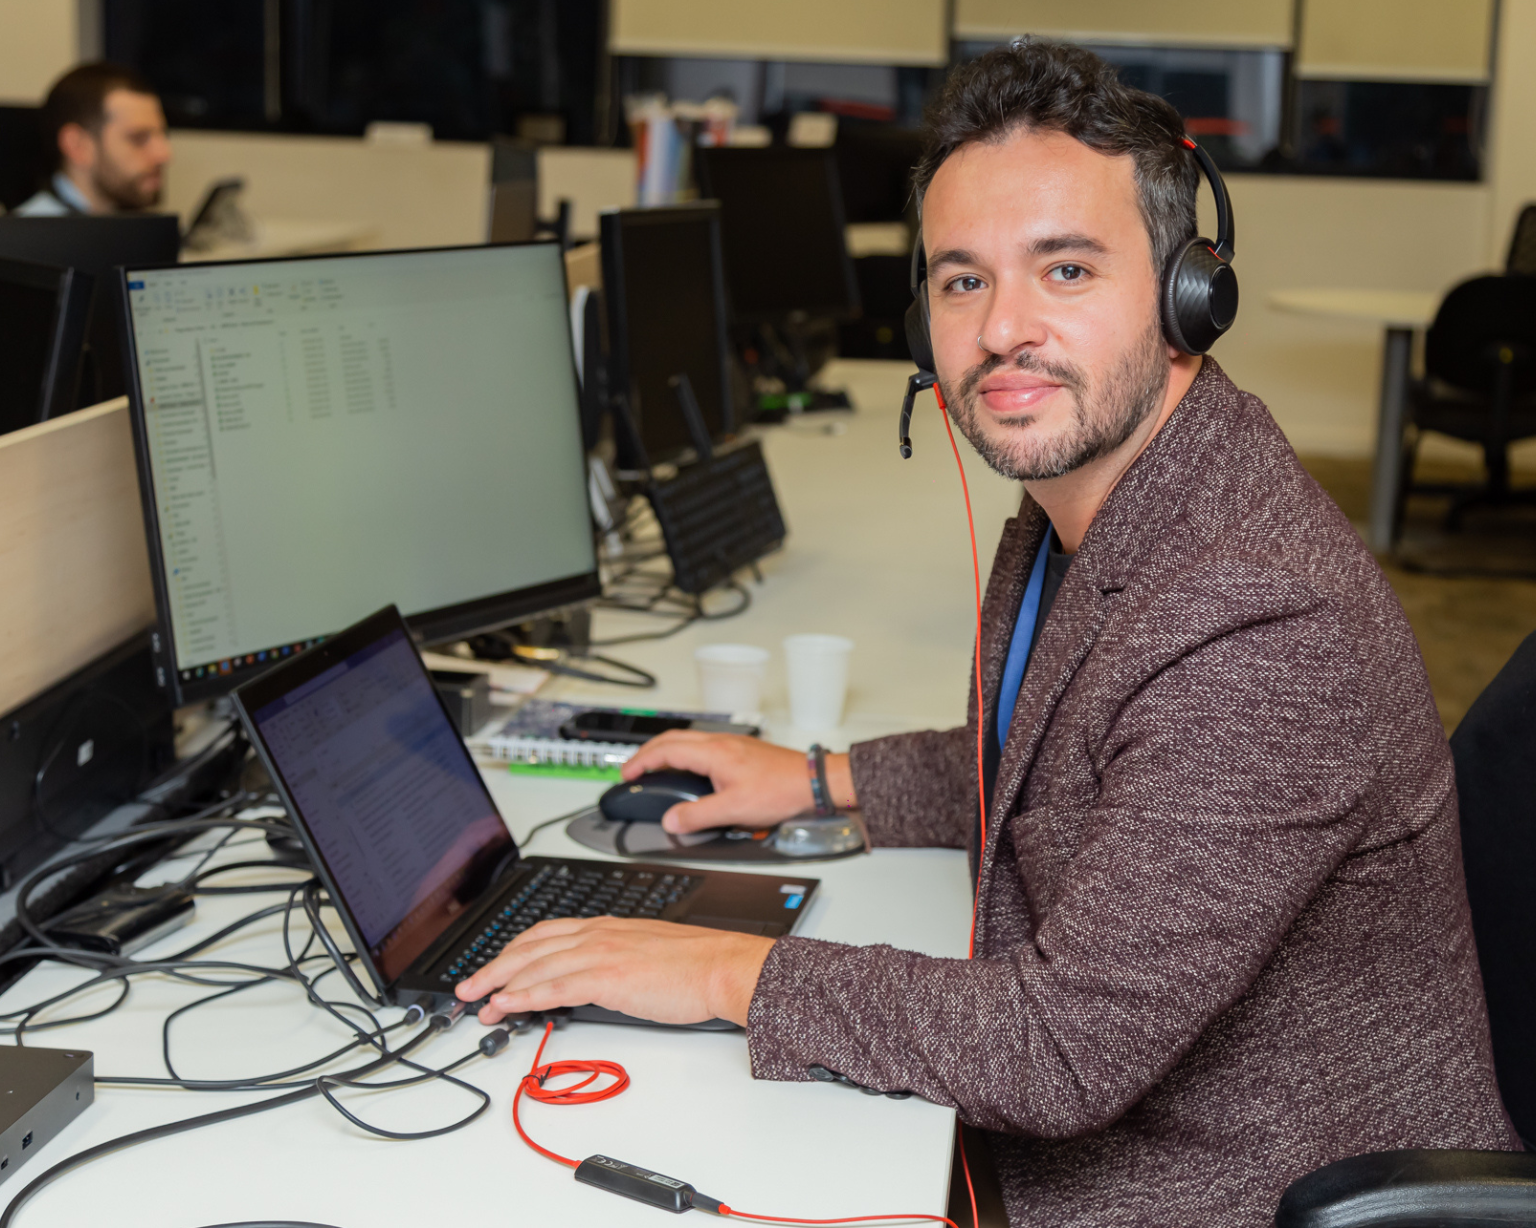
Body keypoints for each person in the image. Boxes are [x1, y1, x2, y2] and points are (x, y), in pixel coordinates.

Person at [458, 40, 1519, 1225]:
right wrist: (819, 776)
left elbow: (1061, 1046)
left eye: (1064, 269)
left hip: (1235, 1189)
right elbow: (1041, 769)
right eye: (962, 281)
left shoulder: (1262, 617)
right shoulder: (1090, 502)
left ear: (1188, 295)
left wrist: (719, 968)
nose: (1004, 327)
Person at [14, 62, 171, 217]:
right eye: (138, 138)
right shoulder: (18, 239)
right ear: (77, 146)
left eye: (163, 134)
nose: (164, 154)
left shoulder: (140, 234)